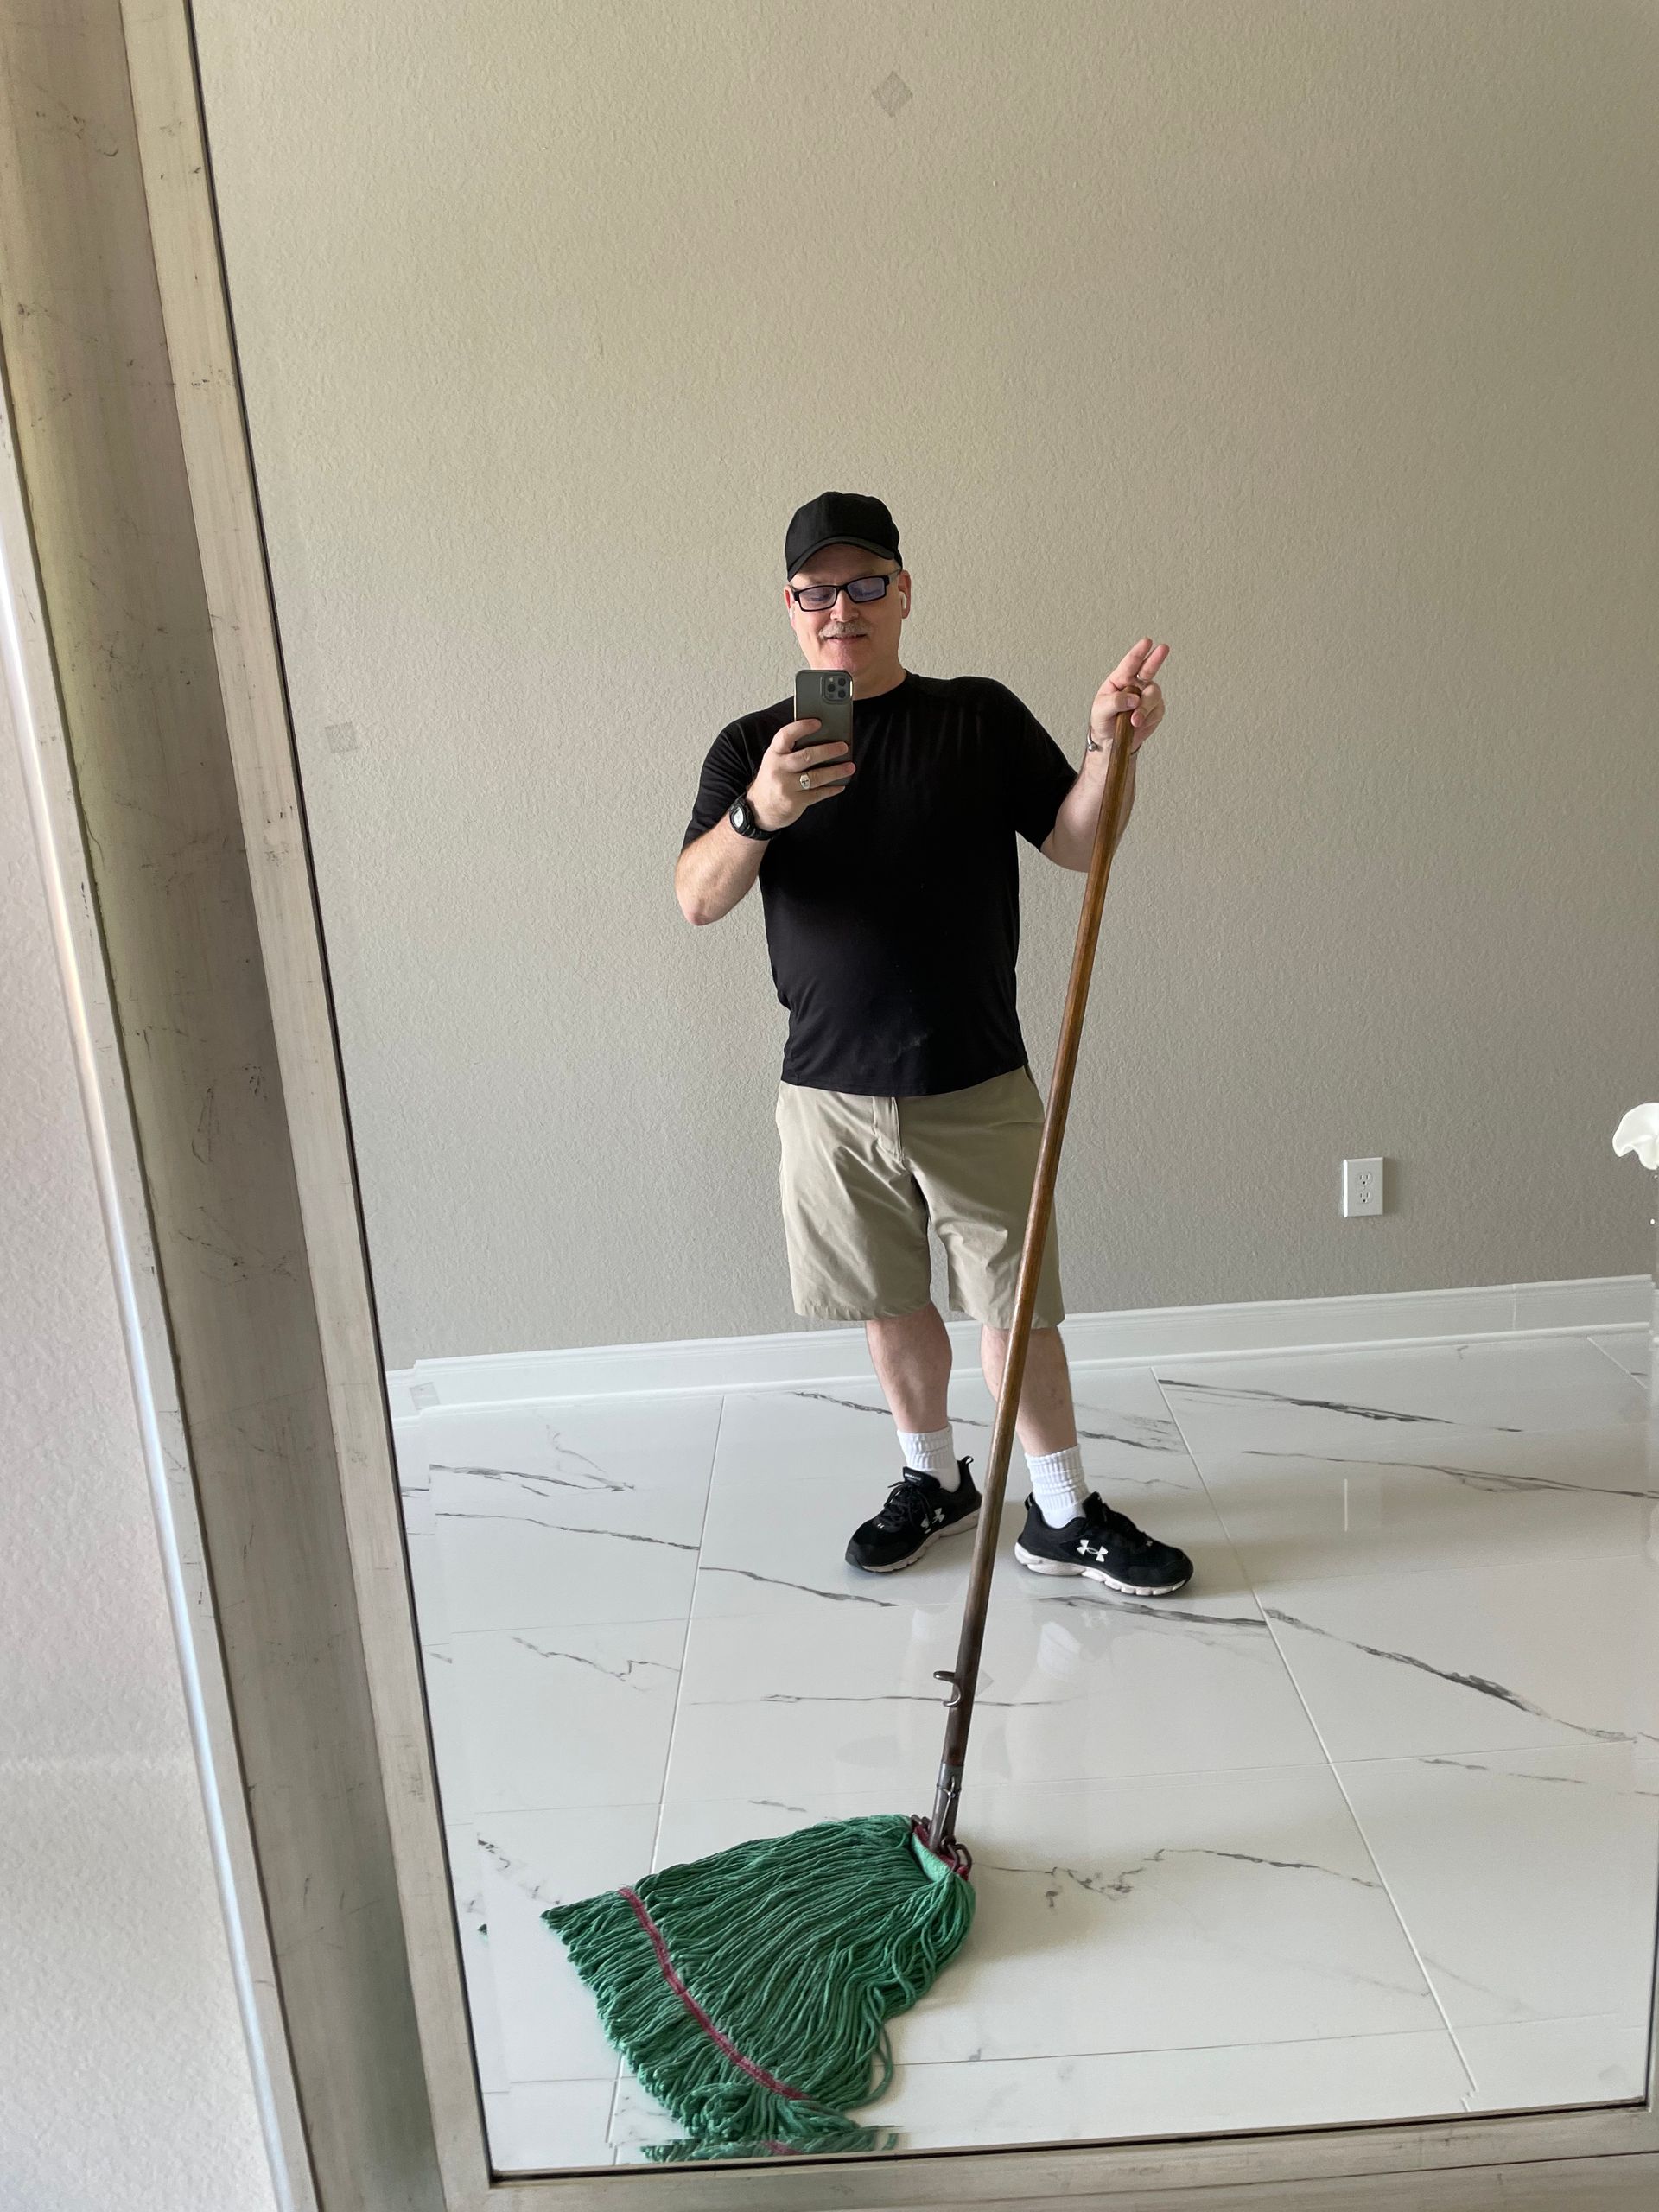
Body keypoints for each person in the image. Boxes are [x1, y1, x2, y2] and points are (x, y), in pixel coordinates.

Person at [675, 491, 1192, 1598]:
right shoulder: (750, 746)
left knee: (1016, 1306)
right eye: (818, 590)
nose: (842, 608)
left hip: (974, 1075)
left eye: (866, 585)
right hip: (827, 1093)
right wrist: (762, 808)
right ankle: (934, 1477)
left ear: (904, 592)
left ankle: (1061, 1510)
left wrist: (1111, 748)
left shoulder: (978, 716)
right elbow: (696, 899)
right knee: (887, 1297)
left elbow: (1078, 841)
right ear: (792, 606)